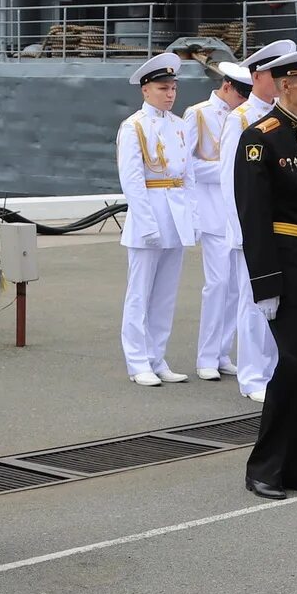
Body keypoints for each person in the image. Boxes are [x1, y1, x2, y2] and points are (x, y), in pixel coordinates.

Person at [234, 42, 297, 498]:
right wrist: (265, 283)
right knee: (292, 367)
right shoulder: (260, 138)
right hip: (284, 268)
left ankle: (295, 465)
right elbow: (253, 215)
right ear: (286, 84)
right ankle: (264, 467)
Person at [117, 51, 197, 386]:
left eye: (173, 88)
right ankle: (138, 362)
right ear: (146, 90)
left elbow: (188, 176)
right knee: (140, 294)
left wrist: (192, 218)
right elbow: (132, 180)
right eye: (163, 88)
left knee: (165, 295)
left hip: (176, 215)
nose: (170, 93)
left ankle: (157, 357)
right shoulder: (133, 127)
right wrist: (147, 223)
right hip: (149, 214)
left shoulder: (179, 126)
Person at [226, 39, 297, 401]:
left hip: (280, 227)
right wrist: (242, 233)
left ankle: (271, 370)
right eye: (276, 73)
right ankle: (252, 375)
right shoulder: (239, 120)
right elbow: (230, 182)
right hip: (251, 229)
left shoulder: (281, 118)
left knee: (277, 303)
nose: (283, 80)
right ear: (258, 76)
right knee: (253, 303)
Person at [184, 63, 249, 383]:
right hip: (211, 210)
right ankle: (206, 356)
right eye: (240, 92)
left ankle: (223, 352)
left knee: (236, 288)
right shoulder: (197, 114)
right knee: (218, 285)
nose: (243, 98)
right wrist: (228, 170)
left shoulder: (246, 115)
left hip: (237, 211)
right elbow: (188, 166)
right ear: (226, 86)